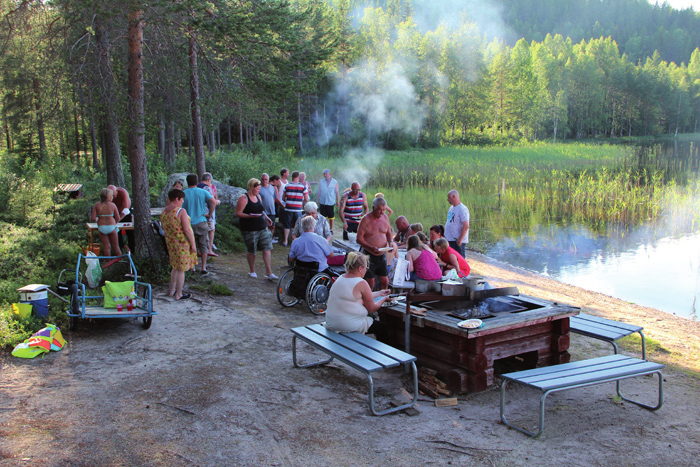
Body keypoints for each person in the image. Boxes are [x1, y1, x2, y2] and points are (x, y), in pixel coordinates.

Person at [324, 252, 391, 343]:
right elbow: (372, 309)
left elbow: (356, 295)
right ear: (360, 268)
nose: (366, 270)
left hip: (332, 322)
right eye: (366, 268)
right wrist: (384, 299)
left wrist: (380, 293)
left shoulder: (341, 278)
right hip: (346, 324)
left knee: (374, 323)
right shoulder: (361, 282)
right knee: (381, 327)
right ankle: (386, 355)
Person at [235, 178, 277, 280]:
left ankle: (269, 272)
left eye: (259, 189)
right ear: (251, 187)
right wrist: (250, 216)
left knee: (267, 248)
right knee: (252, 249)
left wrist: (267, 218)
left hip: (262, 226)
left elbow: (261, 210)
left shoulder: (258, 197)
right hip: (249, 228)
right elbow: (238, 213)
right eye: (257, 189)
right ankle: (252, 270)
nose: (259, 191)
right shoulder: (244, 198)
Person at [161, 189, 197, 300]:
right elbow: (187, 229)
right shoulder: (181, 211)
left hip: (171, 243)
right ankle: (179, 293)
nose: (182, 201)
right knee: (181, 269)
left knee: (174, 267)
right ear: (177, 199)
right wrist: (193, 244)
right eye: (182, 199)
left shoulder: (164, 212)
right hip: (182, 243)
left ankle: (172, 290)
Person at [183, 173, 218, 276]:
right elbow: (213, 202)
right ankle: (203, 267)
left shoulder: (183, 193)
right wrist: (209, 215)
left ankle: (192, 267)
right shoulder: (202, 192)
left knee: (190, 245)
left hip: (188, 223)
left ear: (187, 182)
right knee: (203, 245)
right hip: (201, 221)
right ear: (197, 182)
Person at [356, 197, 395, 291]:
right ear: (373, 208)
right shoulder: (366, 220)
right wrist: (371, 247)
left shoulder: (385, 218)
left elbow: (389, 233)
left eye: (384, 210)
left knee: (385, 281)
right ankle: (369, 301)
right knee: (371, 282)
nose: (382, 212)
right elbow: (359, 239)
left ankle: (382, 300)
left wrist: (391, 242)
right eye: (379, 210)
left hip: (381, 254)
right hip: (368, 254)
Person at [91, 187, 122, 257]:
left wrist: (97, 220)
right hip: (111, 227)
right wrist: (114, 223)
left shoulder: (97, 205)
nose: (112, 197)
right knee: (116, 246)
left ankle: (108, 265)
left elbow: (93, 218)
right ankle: (121, 261)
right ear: (109, 197)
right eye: (112, 196)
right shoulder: (113, 205)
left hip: (101, 227)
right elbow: (118, 218)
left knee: (107, 247)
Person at [281, 171, 307, 247]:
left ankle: (285, 241)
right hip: (298, 209)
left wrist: (288, 201)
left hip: (288, 208)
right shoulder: (302, 186)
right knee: (298, 225)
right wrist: (300, 202)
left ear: (292, 177)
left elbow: (283, 198)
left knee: (287, 225)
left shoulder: (287, 186)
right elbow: (307, 198)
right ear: (298, 177)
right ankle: (296, 241)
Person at [198, 172, 218, 256]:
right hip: (206, 213)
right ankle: (209, 249)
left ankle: (199, 250)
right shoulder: (207, 188)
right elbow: (211, 202)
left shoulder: (197, 186)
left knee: (199, 232)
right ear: (208, 180)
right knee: (210, 230)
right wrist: (217, 202)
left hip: (198, 212)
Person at [445, 189, 470, 257]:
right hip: (450, 239)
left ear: (454, 197)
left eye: (449, 197)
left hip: (457, 240)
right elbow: (449, 221)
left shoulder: (462, 209)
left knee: (459, 259)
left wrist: (460, 240)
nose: (447, 199)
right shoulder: (451, 208)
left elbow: (466, 226)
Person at [259, 173, 277, 240]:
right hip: (263, 211)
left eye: (266, 179)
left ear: (268, 180)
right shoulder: (259, 188)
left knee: (272, 226)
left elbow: (274, 198)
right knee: (264, 227)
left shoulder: (272, 188)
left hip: (272, 210)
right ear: (261, 180)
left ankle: (270, 239)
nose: (264, 181)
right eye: (263, 179)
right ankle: (264, 240)